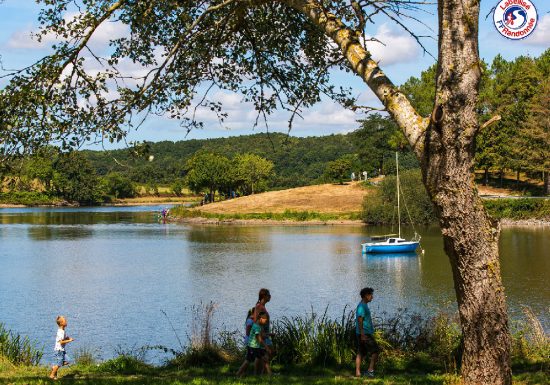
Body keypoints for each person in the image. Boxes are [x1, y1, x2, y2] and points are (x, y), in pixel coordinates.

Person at [237, 311, 271, 376]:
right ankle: (268, 375)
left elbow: (261, 336)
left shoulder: (257, 325)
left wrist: (269, 334)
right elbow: (259, 339)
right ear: (261, 319)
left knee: (248, 361)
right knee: (264, 359)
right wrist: (266, 347)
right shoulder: (257, 327)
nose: (266, 321)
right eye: (265, 319)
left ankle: (238, 374)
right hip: (254, 347)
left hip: (252, 346)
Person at [355, 287, 380, 378]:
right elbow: (360, 320)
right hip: (365, 334)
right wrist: (362, 334)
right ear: (366, 295)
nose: (372, 297)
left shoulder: (363, 305)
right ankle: (370, 370)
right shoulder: (362, 306)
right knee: (375, 351)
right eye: (371, 295)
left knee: (361, 352)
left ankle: (358, 373)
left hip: (362, 333)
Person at [49, 315, 74, 380]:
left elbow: (63, 339)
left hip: (62, 350)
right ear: (61, 323)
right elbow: (61, 342)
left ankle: (55, 367)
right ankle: (52, 375)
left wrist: (67, 338)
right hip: (59, 350)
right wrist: (69, 340)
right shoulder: (60, 332)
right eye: (65, 321)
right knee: (59, 364)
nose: (66, 321)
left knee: (68, 360)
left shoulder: (63, 330)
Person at [235, 307, 255, 376]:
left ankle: (242, 373)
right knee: (249, 359)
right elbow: (248, 333)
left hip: (251, 341)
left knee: (251, 358)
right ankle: (238, 373)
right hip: (250, 342)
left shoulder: (251, 320)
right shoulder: (250, 321)